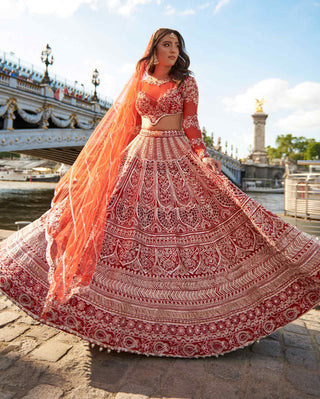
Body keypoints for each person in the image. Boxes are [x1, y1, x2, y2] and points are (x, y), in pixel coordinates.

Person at [0, 28, 320, 358]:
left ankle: (194, 314)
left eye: (177, 45)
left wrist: (203, 155)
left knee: (195, 226)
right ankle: (107, 315)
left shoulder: (187, 82)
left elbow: (192, 123)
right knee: (113, 224)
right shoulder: (138, 79)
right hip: (138, 154)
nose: (173, 50)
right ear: (153, 49)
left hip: (176, 153)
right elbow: (125, 126)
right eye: (167, 44)